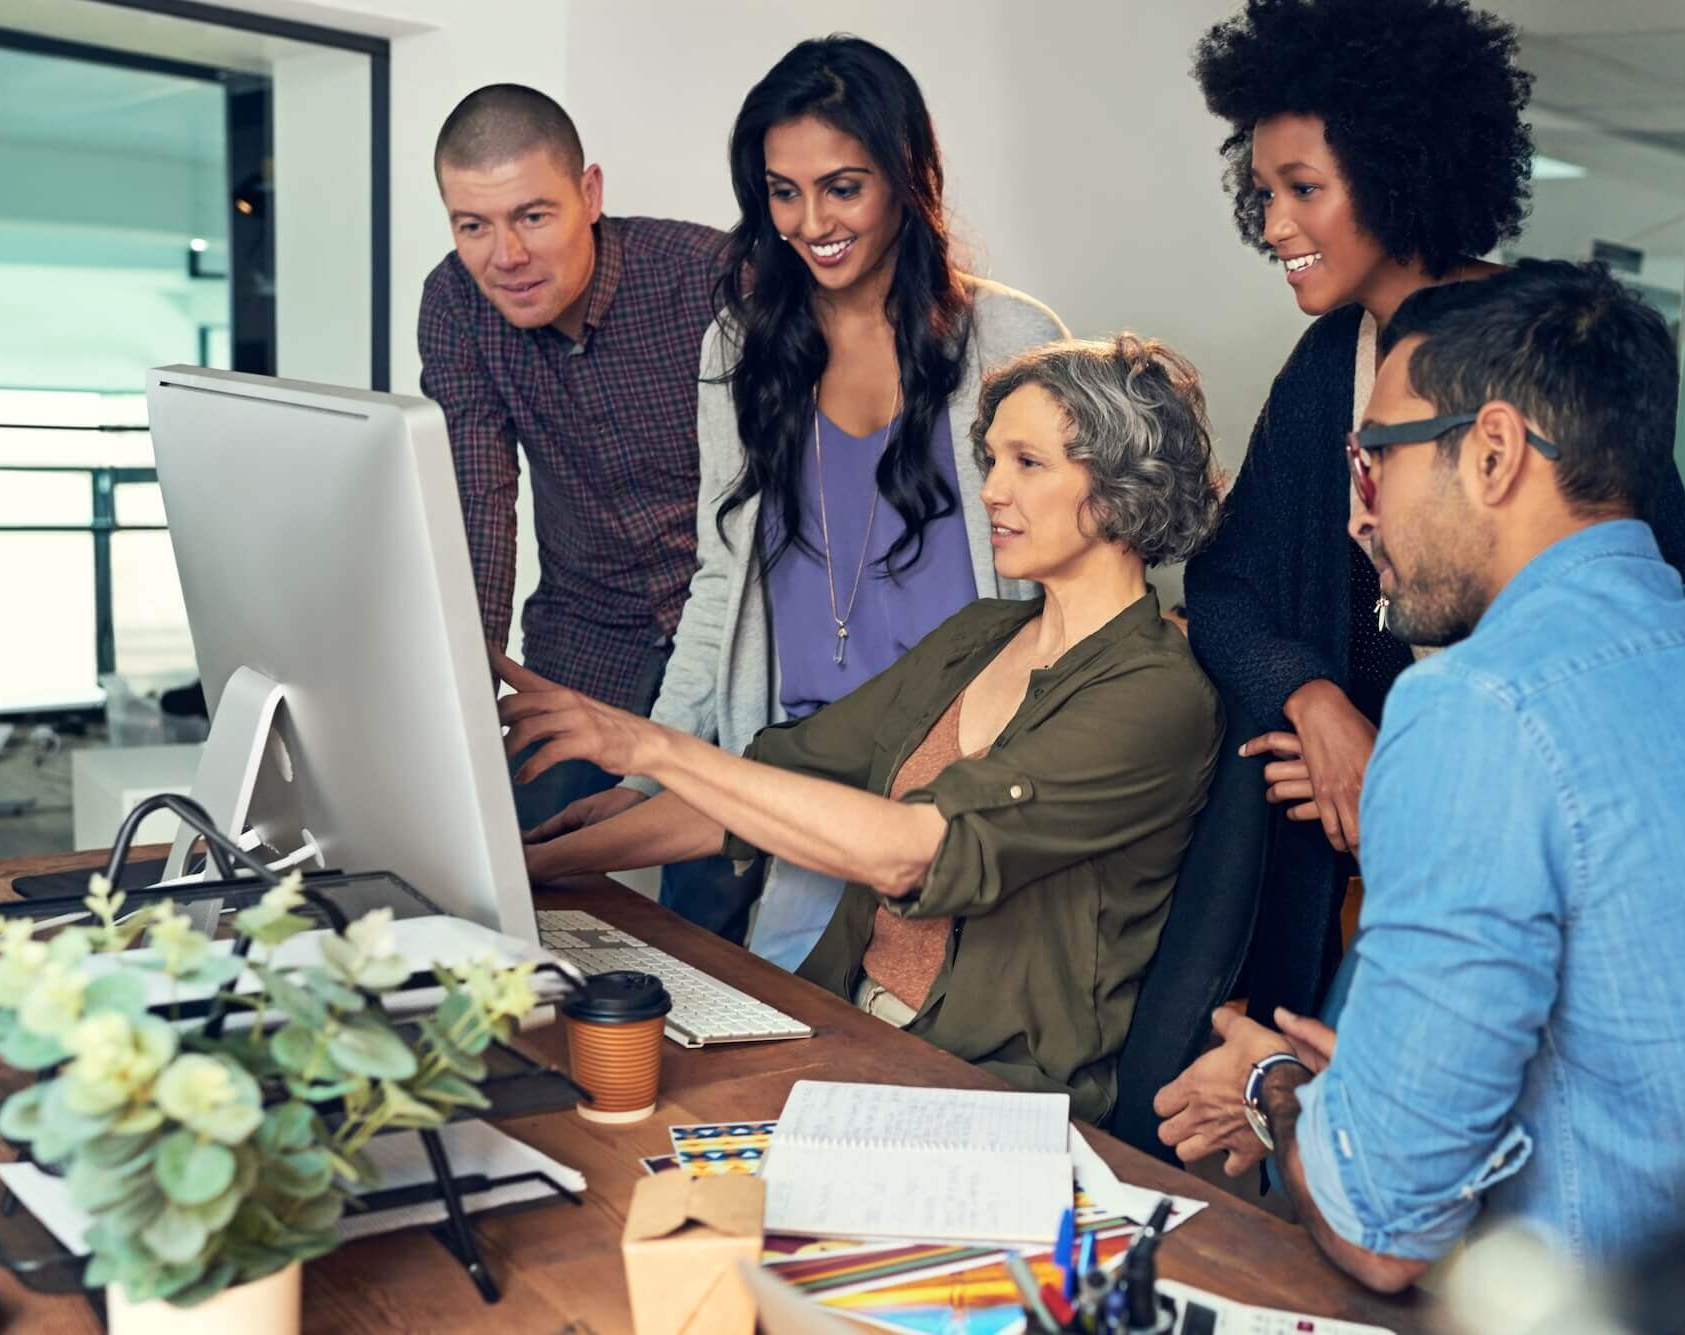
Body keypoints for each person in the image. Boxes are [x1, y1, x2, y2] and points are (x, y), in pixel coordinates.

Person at [1159, 261, 1685, 1327]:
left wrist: (1277, 1093)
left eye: (1373, 457)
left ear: (1489, 452)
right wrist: (1381, 1099)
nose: (1360, 513)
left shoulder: (1477, 708)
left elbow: (1380, 1229)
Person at [504, 335, 1225, 1122]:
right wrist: (531, 872)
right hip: (839, 1027)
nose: (989, 491)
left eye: (1028, 462)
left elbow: (908, 851)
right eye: (991, 460)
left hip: (983, 1090)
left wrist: (650, 746)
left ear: (1122, 486)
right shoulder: (979, 634)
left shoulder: (1157, 695)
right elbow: (781, 790)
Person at [1179, 0, 1685, 1027]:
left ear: (1395, 175)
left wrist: (1400, 768)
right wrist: (1317, 707)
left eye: (1303, 190)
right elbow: (1225, 586)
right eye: (1262, 194)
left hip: (1504, 857)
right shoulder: (1329, 361)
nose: (1274, 227)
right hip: (1345, 862)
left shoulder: (1545, 356)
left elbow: (1662, 610)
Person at [520, 37, 1065, 966]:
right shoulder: (740, 348)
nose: (812, 220)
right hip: (798, 794)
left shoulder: (1011, 338)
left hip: (964, 792)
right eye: (782, 191)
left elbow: (1077, 586)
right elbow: (720, 579)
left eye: (842, 187)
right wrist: (664, 757)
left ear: (905, 178)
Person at [418, 84, 725, 831]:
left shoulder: (707, 276)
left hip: (729, 624)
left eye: (532, 215)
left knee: (709, 888)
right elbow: (477, 498)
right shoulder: (455, 304)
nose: (507, 256)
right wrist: (461, 681)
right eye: (473, 225)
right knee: (527, 858)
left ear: (589, 193)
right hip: (584, 630)